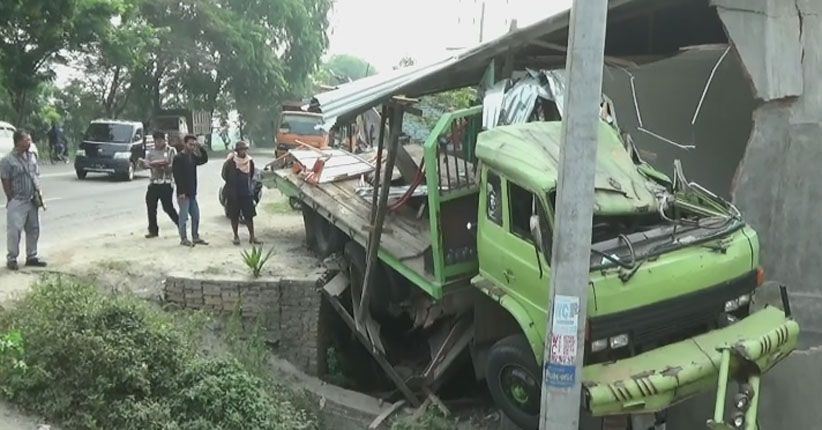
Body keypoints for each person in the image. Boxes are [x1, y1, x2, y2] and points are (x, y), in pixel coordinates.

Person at [1, 130, 47, 270]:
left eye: (30, 140)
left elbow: (35, 175)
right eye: (27, 140)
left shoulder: (32, 156)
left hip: (32, 199)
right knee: (14, 230)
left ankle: (31, 256)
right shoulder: (8, 160)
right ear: (18, 141)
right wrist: (10, 197)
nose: (29, 142)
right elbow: (5, 179)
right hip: (18, 200)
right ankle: (12, 258)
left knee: (33, 229)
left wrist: (38, 193)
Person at [140, 131, 179, 238]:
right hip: (154, 182)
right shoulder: (151, 152)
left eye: (160, 140)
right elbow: (146, 164)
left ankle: (181, 224)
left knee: (167, 207)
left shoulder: (171, 151)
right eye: (156, 140)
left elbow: (175, 165)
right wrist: (144, 164)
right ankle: (153, 230)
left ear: (164, 140)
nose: (158, 142)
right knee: (151, 206)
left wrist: (166, 167)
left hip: (166, 182)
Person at [222, 141, 262, 245]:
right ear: (237, 151)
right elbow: (224, 175)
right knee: (234, 216)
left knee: (249, 215)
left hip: (246, 192)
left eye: (244, 149)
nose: (243, 151)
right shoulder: (230, 162)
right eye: (241, 149)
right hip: (233, 192)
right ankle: (236, 236)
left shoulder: (250, 161)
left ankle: (252, 236)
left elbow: (252, 173)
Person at [172, 134, 209, 247]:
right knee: (183, 218)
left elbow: (204, 159)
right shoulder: (178, 158)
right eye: (190, 144)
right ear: (185, 144)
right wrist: (181, 192)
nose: (192, 147)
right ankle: (183, 238)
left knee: (196, 216)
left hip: (192, 192)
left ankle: (195, 237)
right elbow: (177, 176)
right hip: (183, 194)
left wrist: (200, 147)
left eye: (194, 145)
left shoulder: (192, 157)